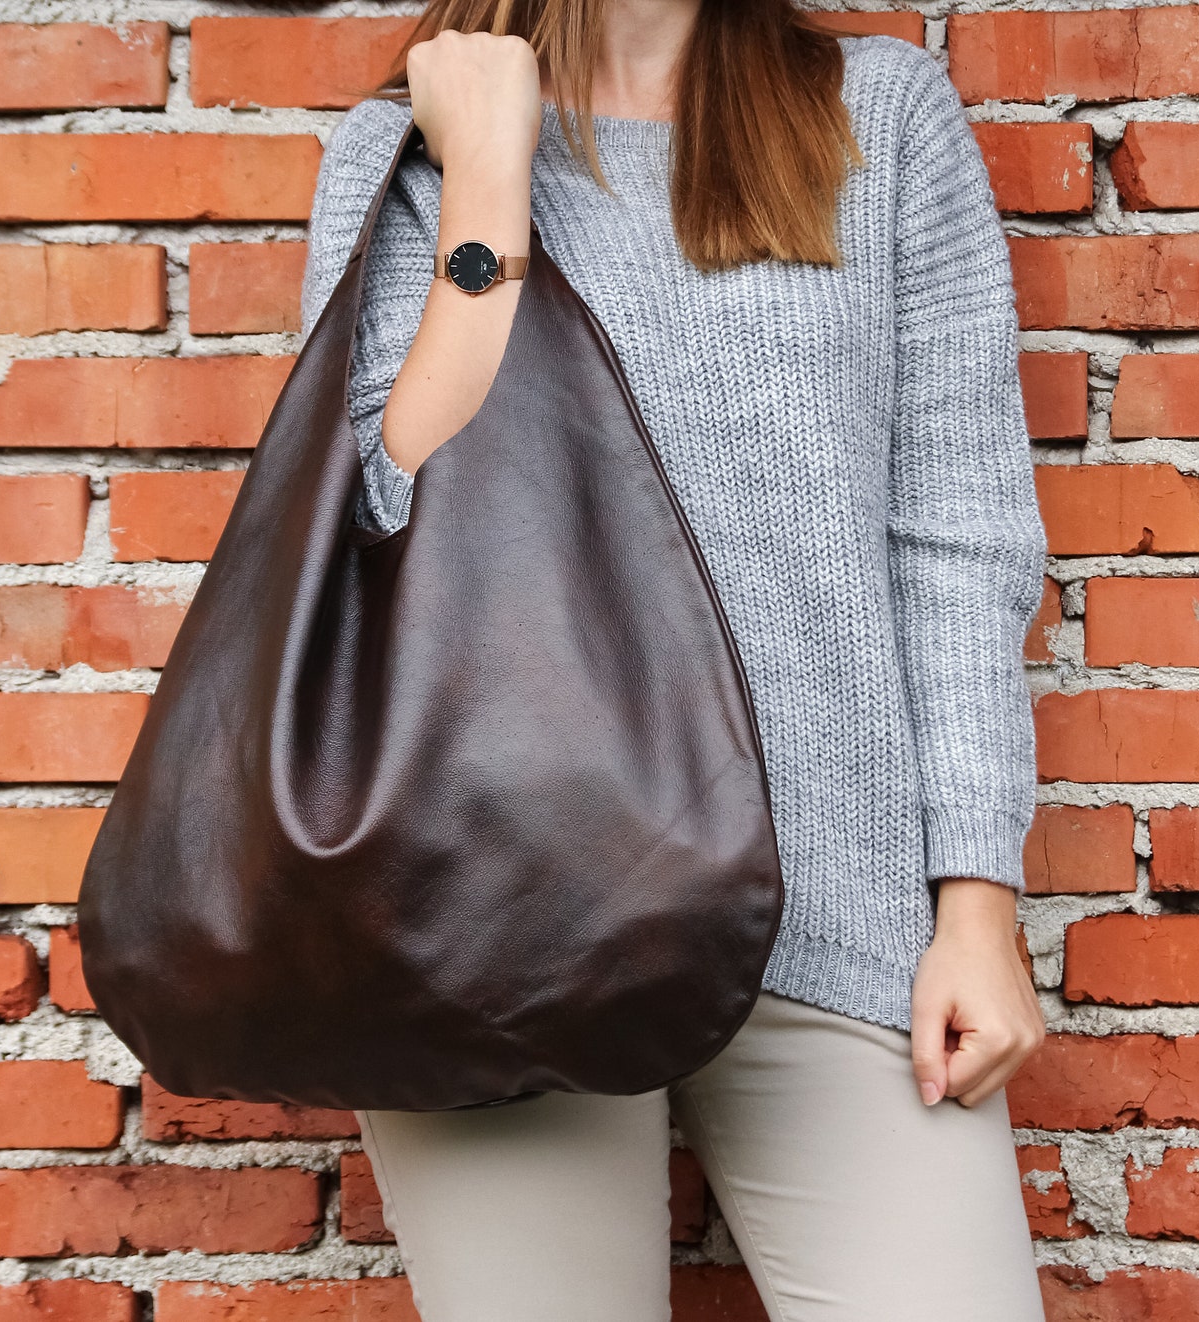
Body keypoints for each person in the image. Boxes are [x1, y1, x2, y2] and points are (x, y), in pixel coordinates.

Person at [298, 1, 1050, 1317]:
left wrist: (976, 906)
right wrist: (485, 174)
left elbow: (960, 534)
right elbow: (382, 506)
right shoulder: (412, 141)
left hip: (836, 910)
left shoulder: (875, 114)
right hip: (499, 916)